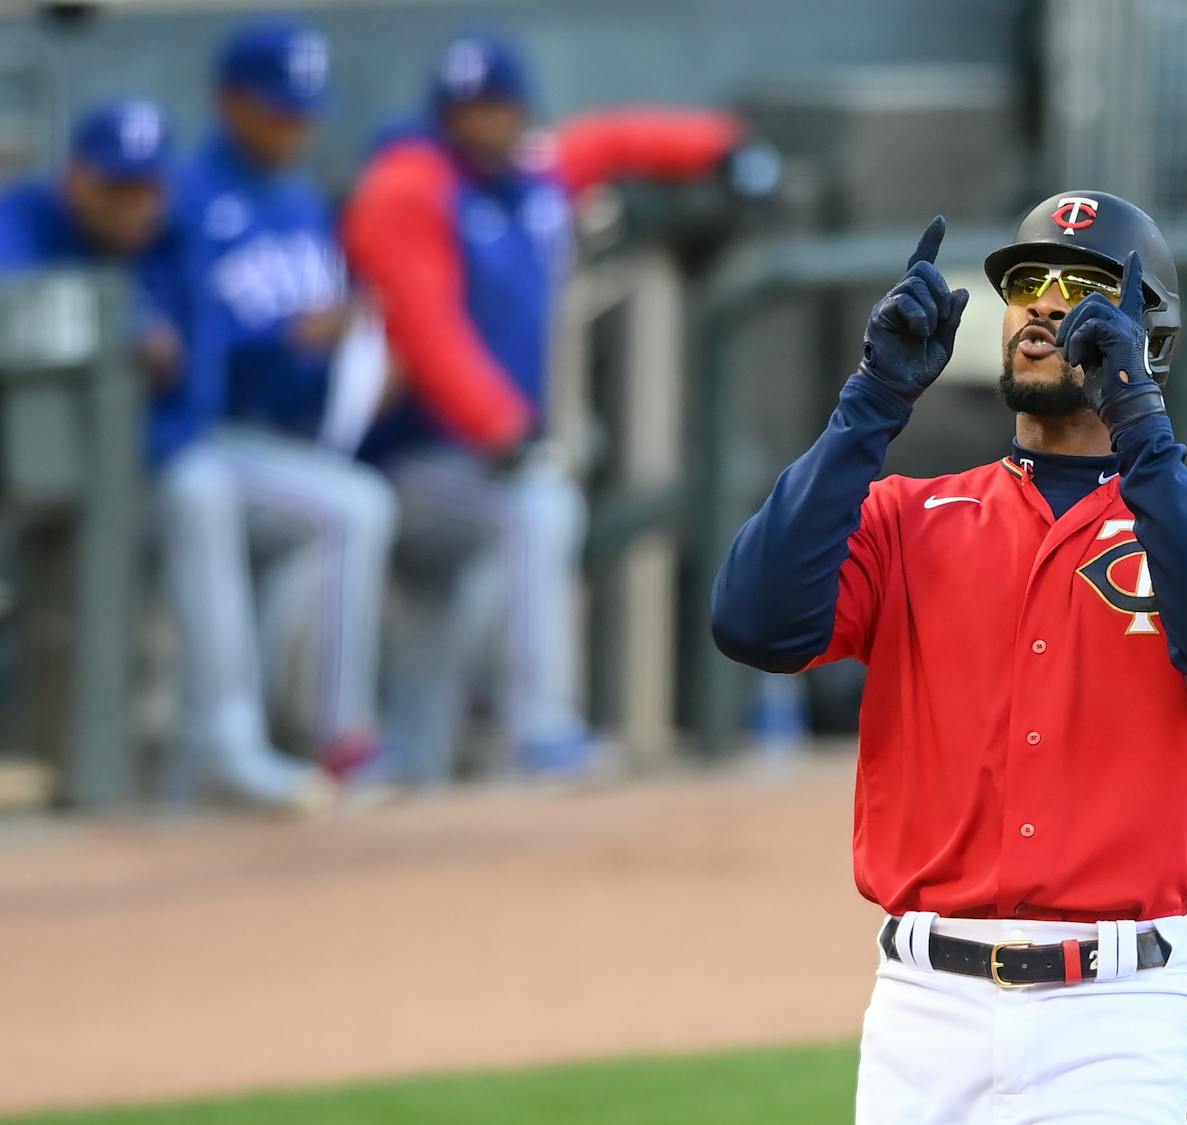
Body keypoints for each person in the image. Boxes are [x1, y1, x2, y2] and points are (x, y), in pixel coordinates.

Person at [711, 193, 1187, 1121]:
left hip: (1115, 1016)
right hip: (924, 1012)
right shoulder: (906, 518)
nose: (1041, 303)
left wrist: (1141, 425)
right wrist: (869, 403)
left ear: (1148, 330)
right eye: (1026, 283)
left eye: (1079, 285)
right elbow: (754, 623)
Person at [343, 31, 746, 782]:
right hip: (401, 455)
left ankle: (420, 765)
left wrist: (723, 149)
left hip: (471, 461)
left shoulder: (534, 173)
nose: (484, 122)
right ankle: (537, 727)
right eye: (468, 109)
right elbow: (426, 328)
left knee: (454, 599)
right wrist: (500, 425)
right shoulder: (413, 183)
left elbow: (620, 139)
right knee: (539, 509)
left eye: (497, 107)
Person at [156, 18, 395, 811]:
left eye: (305, 109)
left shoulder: (299, 200)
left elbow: (307, 356)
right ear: (229, 101)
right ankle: (326, 739)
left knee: (338, 517)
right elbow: (196, 338)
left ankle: (284, 746)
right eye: (278, 108)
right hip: (199, 437)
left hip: (275, 444)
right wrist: (287, 339)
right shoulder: (183, 194)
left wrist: (346, 356)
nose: (296, 125)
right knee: (354, 507)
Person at [0, 97, 182, 399]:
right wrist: (129, 324)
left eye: (148, 191)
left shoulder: (178, 233)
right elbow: (10, 302)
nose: (134, 208)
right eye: (117, 188)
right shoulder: (21, 215)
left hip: (155, 434)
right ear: (73, 180)